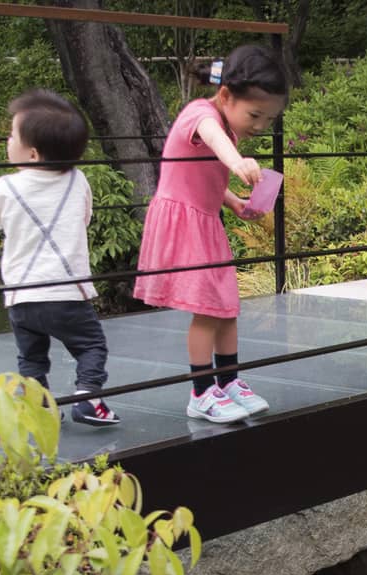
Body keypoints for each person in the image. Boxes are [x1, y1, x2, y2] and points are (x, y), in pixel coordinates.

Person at [133, 44, 287, 424]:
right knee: (206, 309)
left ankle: (229, 381)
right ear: (225, 96)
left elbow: (203, 173)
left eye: (268, 120)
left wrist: (234, 201)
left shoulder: (226, 126)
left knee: (226, 306)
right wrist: (237, 162)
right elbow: (213, 142)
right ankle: (201, 392)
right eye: (255, 115)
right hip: (185, 224)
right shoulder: (200, 115)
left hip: (205, 220)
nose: (259, 126)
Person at [0, 89, 120, 426]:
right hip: (67, 292)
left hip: (21, 295)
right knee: (90, 346)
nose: (6, 139)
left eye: (11, 135)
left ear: (31, 153)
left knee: (31, 357)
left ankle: (40, 407)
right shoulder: (77, 180)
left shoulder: (6, 186)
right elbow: (84, 218)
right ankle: (87, 398)